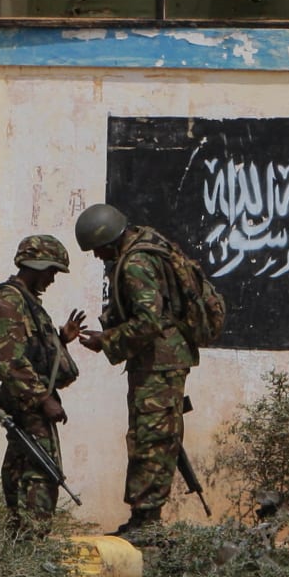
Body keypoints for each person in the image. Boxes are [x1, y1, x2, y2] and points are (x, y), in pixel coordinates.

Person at [74, 202, 196, 537]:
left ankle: (146, 523)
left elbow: (148, 321)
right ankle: (145, 519)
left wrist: (107, 340)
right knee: (155, 435)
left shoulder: (135, 265)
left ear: (110, 240)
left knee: (150, 438)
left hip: (159, 361)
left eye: (98, 250)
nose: (98, 257)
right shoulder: (148, 242)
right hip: (163, 358)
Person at [0, 233, 86, 534]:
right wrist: (42, 399)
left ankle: (19, 533)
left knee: (22, 464)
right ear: (36, 265)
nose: (52, 278)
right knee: (42, 469)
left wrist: (60, 340)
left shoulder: (26, 301)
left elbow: (30, 351)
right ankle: (32, 537)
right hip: (25, 399)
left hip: (27, 396)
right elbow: (10, 360)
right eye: (51, 271)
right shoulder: (9, 300)